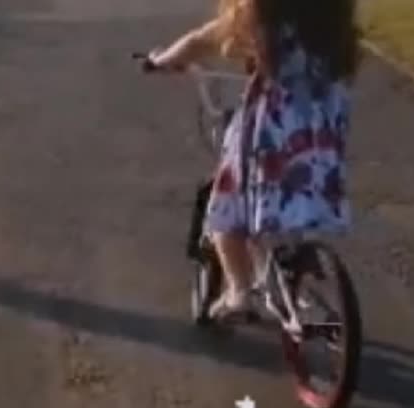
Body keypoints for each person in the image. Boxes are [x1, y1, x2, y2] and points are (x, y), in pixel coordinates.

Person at [147, 0, 361, 320]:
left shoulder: (260, 18)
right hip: (319, 138)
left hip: (271, 136)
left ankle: (239, 292)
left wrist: (160, 60)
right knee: (291, 198)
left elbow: (199, 42)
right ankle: (292, 272)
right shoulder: (334, 27)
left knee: (226, 214)